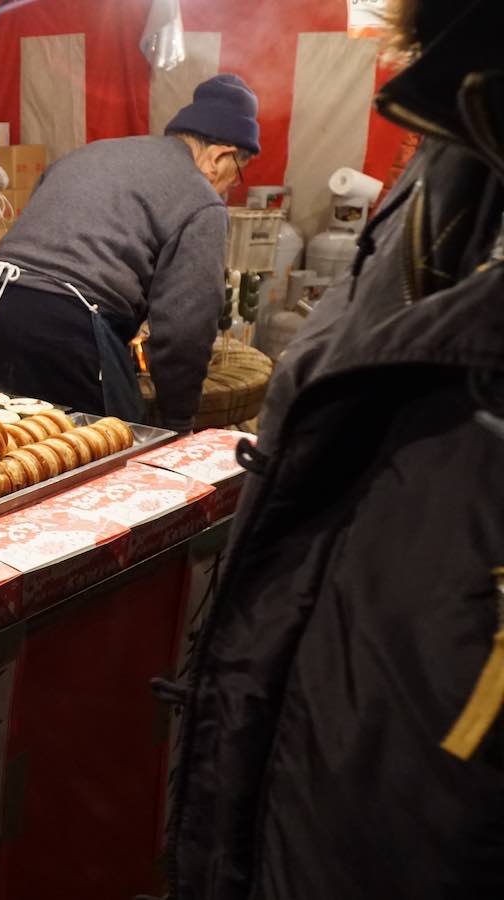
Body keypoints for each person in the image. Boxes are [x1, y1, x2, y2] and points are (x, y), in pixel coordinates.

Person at [167, 2, 504, 897]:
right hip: (320, 775)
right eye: (235, 158)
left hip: (396, 801)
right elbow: (184, 328)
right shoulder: (458, 131)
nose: (236, 175)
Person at [0, 75, 259, 432]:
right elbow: (185, 329)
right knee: (110, 454)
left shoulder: (94, 152)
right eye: (236, 176)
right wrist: (178, 424)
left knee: (15, 448)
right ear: (220, 156)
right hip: (66, 330)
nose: (229, 189)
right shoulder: (200, 200)